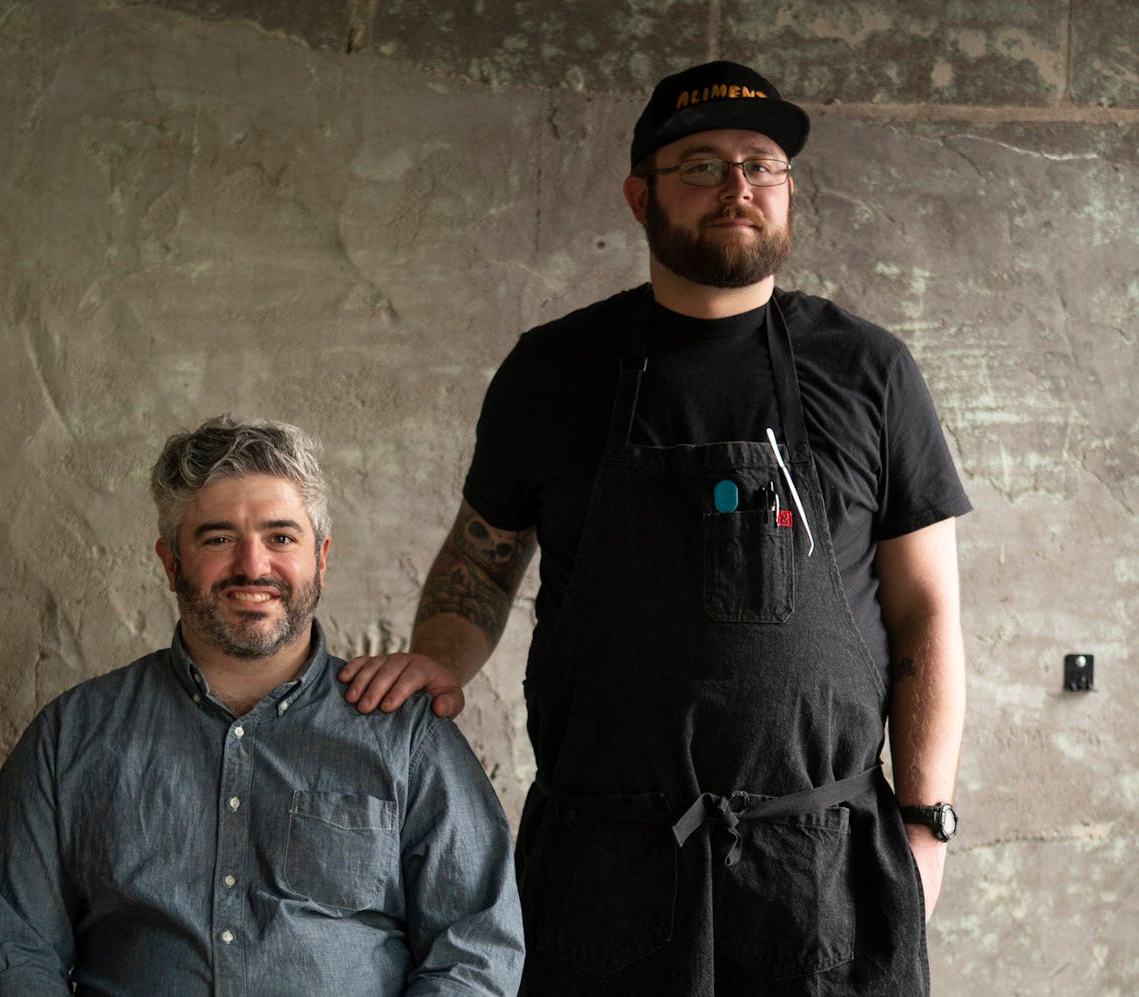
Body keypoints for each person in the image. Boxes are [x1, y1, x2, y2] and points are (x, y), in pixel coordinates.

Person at [339, 61, 969, 994]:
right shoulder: (550, 372)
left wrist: (924, 823)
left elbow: (927, 617)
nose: (739, 187)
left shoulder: (870, 370)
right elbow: (485, 553)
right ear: (641, 196)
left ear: (789, 191)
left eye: (762, 165)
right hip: (606, 875)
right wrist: (440, 652)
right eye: (703, 165)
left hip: (824, 879)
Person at [0, 416, 525, 996]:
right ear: (170, 562)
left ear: (322, 558)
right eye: (218, 538)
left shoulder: (407, 736)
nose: (253, 566)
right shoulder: (70, 738)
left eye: (281, 537)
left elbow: (475, 955)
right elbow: (16, 952)